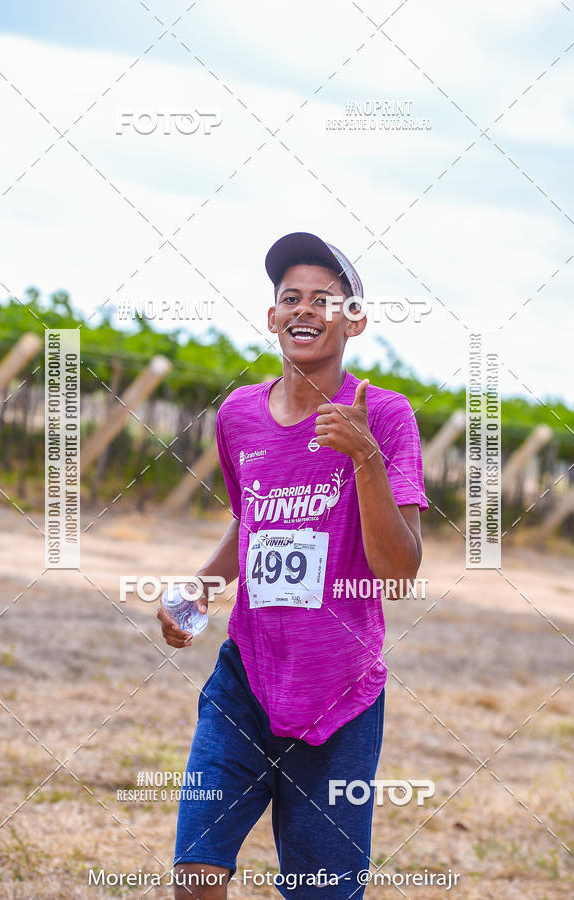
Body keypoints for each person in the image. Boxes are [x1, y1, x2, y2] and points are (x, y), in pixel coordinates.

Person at [158, 232, 428, 899]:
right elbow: (251, 520)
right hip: (245, 678)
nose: (304, 309)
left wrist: (365, 459)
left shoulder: (385, 416)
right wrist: (200, 586)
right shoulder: (238, 415)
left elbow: (400, 572)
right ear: (273, 316)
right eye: (290, 297)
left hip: (340, 692)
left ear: (354, 321)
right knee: (195, 874)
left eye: (324, 299)